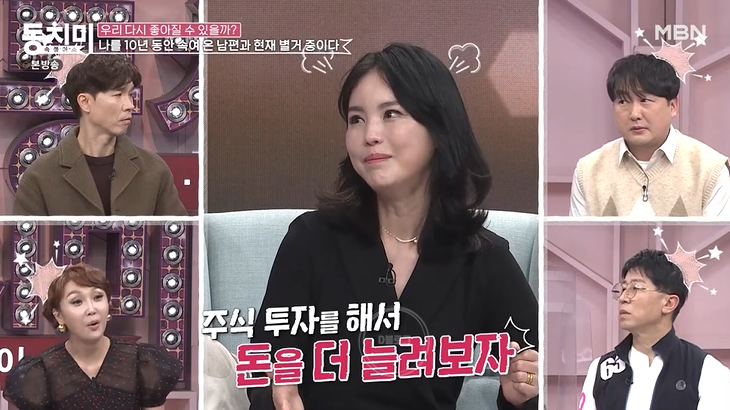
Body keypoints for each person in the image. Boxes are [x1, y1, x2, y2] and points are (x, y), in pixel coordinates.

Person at [246, 43, 539, 410]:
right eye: (356, 119)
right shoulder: (310, 240)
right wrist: (277, 391)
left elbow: (536, 376)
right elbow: (264, 369)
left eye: (391, 113)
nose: (369, 134)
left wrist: (520, 393)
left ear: (439, 126)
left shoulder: (483, 258)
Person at [13, 54, 188, 216]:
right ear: (85, 102)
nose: (130, 105)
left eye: (130, 94)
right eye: (118, 94)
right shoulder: (40, 176)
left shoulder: (154, 170)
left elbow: (176, 236)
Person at [2, 263, 183, 410]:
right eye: (77, 301)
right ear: (59, 316)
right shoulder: (40, 372)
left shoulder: (142, 362)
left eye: (97, 297)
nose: (91, 309)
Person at [569, 53, 730, 217]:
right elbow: (577, 233)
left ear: (673, 106)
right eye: (623, 101)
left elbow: (717, 234)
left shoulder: (710, 170)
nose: (634, 114)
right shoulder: (588, 171)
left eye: (644, 100)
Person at [578, 249, 730, 409]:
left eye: (636, 288)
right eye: (623, 289)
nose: (623, 298)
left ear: (669, 303)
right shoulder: (600, 369)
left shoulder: (707, 371)